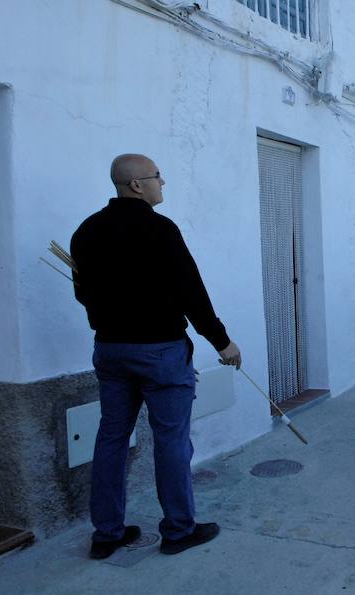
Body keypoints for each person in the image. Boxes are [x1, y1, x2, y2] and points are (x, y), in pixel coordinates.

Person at [71, 154, 241, 559]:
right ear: (135, 185)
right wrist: (222, 342)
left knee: (111, 437)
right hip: (160, 351)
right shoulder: (160, 229)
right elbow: (191, 293)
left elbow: (82, 293)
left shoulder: (86, 232)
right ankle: (179, 531)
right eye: (156, 177)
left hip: (110, 349)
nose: (162, 183)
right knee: (171, 440)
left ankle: (107, 533)